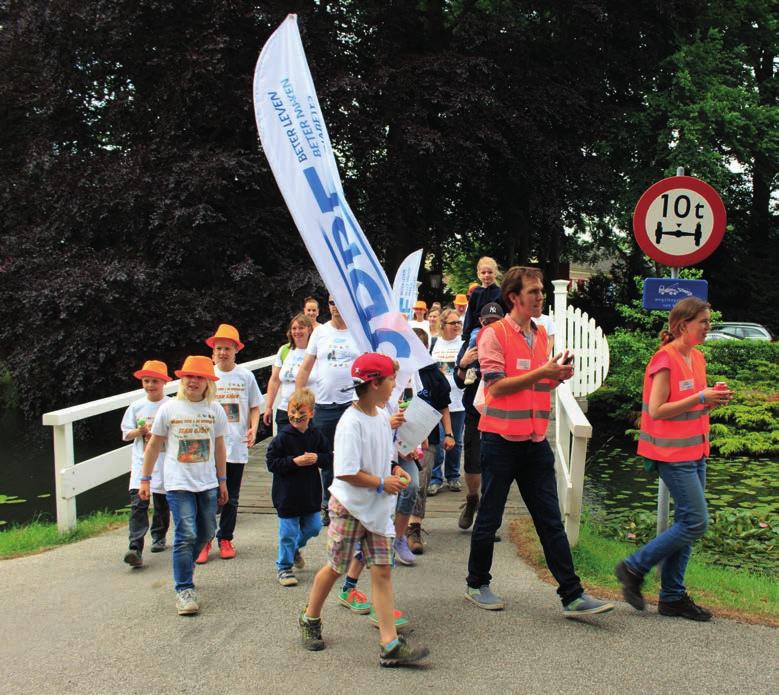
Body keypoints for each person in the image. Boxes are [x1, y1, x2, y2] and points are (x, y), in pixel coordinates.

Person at [465, 266, 614, 618]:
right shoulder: (494, 335)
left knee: (549, 519)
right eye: (533, 291)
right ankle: (477, 582)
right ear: (514, 297)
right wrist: (543, 373)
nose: (541, 296)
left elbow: (536, 386)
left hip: (534, 441)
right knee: (489, 516)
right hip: (499, 441)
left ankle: (572, 595)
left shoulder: (542, 334)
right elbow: (497, 387)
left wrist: (557, 378)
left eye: (542, 290)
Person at [298, 353, 429, 667]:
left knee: (382, 571)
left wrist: (394, 470)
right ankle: (310, 617)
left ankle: (390, 644)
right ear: (374, 384)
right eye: (390, 380)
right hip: (349, 507)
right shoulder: (350, 422)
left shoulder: (381, 415)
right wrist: (383, 482)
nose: (395, 384)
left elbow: (382, 455)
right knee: (335, 567)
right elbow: (345, 471)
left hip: (376, 507)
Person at [615, 297, 731, 622]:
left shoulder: (697, 357)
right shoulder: (664, 359)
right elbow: (656, 409)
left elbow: (689, 404)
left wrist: (710, 401)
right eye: (703, 322)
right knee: (696, 521)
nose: (708, 327)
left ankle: (672, 597)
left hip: (695, 451)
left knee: (688, 524)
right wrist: (700, 396)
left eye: (708, 321)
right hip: (671, 453)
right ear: (683, 325)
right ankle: (633, 567)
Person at [140, 355, 228, 616]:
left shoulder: (215, 409)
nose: (193, 381)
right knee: (185, 533)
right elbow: (154, 444)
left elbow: (220, 447)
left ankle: (184, 566)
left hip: (207, 481)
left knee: (207, 530)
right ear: (182, 379)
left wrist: (223, 480)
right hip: (178, 482)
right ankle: (184, 588)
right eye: (189, 376)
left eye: (199, 377)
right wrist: (145, 479)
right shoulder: (170, 409)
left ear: (207, 382)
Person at [196, 323, 262, 563]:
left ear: (236, 350)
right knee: (208, 495)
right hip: (209, 447)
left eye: (228, 348)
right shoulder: (206, 376)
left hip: (235, 444)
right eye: (219, 348)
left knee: (231, 496)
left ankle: (226, 538)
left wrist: (254, 427)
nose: (223, 352)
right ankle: (205, 540)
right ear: (213, 351)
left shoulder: (246, 376)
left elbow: (255, 406)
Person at [295, 296, 360, 526]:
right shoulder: (320, 333)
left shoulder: (357, 331)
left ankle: (351, 502)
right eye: (332, 302)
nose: (335, 306)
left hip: (352, 402)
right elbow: (305, 367)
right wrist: (298, 398)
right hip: (324, 404)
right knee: (326, 457)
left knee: (352, 454)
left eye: (339, 302)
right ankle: (327, 503)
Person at [266, 388, 330, 587]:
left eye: (301, 412)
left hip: (309, 493)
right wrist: (294, 462)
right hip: (286, 494)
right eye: (292, 411)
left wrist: (318, 458)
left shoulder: (316, 435)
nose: (296, 416)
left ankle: (294, 549)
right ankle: (284, 566)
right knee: (288, 533)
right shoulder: (282, 438)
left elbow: (329, 458)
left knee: (314, 527)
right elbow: (271, 463)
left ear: (311, 413)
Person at [453, 303, 504, 530]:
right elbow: (459, 382)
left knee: (495, 465)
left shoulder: (508, 344)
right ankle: (472, 499)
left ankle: (487, 520)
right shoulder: (470, 343)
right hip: (474, 411)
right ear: (480, 322)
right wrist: (463, 364)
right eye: (486, 321)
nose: (490, 324)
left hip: (500, 411)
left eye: (495, 321)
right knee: (472, 463)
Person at [405, 328, 453, 554]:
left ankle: (414, 527)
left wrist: (450, 433)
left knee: (420, 483)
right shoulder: (397, 371)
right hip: (397, 437)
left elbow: (444, 404)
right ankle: (393, 528)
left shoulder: (433, 374)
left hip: (427, 439)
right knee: (400, 484)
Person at [121, 360, 172, 567]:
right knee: (138, 505)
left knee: (161, 503)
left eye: (155, 381)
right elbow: (126, 434)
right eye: (146, 381)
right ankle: (135, 548)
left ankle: (159, 536)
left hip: (163, 461)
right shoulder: (136, 407)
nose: (150, 385)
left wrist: (158, 435)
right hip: (141, 463)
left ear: (164, 383)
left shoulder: (170, 405)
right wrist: (140, 432)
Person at [428, 308, 466, 495]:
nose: (457, 326)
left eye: (459, 322)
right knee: (438, 440)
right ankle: (435, 478)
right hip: (437, 402)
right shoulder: (435, 342)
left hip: (458, 400)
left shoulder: (464, 343)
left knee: (456, 441)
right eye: (453, 323)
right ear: (443, 325)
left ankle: (453, 476)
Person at [264, 313, 315, 428]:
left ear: (309, 329)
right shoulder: (284, 350)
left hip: (308, 412)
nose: (297, 331)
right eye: (294, 328)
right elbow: (275, 380)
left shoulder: (316, 351)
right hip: (285, 410)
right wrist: (268, 407)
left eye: (301, 328)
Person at [461, 256, 506, 348]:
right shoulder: (475, 292)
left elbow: (506, 312)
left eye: (490, 272)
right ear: (478, 274)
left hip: (497, 327)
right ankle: (472, 360)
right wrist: (466, 333)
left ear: (495, 274)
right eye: (483, 272)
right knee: (474, 340)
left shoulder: (500, 293)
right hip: (478, 327)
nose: (486, 275)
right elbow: (469, 313)